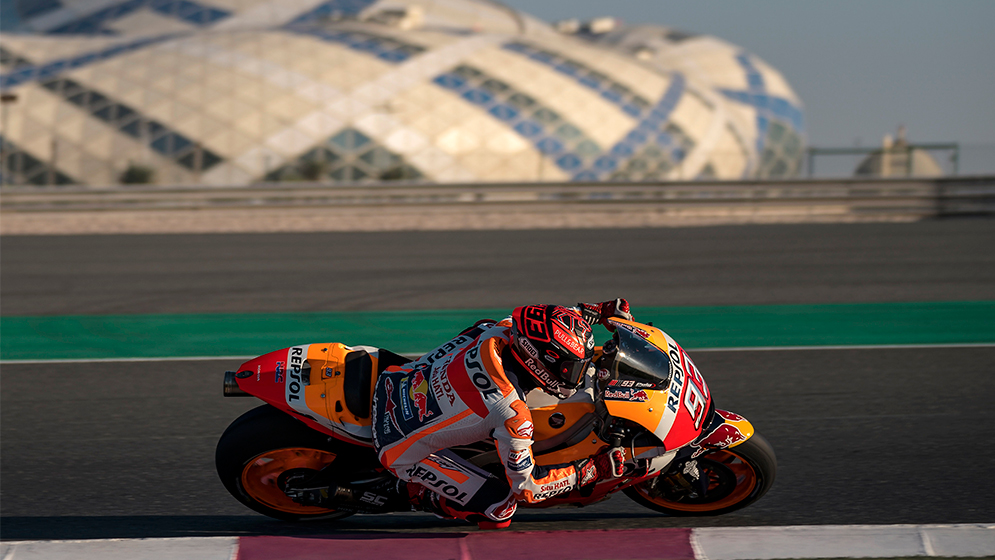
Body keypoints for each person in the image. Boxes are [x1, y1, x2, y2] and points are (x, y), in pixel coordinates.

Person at [369, 299, 634, 529]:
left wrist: (597, 310)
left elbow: (545, 322)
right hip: (395, 441)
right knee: (501, 508)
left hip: (394, 380)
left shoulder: (502, 329)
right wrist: (591, 471)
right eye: (569, 368)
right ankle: (414, 492)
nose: (576, 376)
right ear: (538, 360)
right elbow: (527, 488)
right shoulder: (512, 413)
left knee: (479, 327)